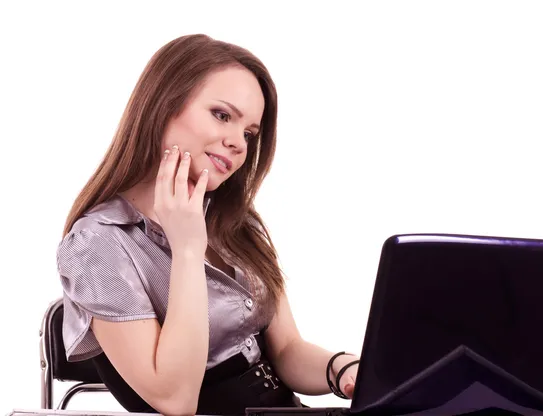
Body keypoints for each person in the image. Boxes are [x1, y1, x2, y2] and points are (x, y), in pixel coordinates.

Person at [56, 34, 360, 416]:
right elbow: (176, 400)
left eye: (249, 133)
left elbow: (286, 350)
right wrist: (186, 249)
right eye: (222, 115)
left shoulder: (237, 220)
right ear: (163, 106)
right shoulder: (97, 245)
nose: (238, 144)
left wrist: (347, 369)